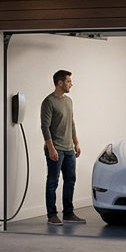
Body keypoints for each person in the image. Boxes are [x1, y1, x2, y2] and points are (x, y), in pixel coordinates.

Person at [41, 69, 84, 225]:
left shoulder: (68, 101)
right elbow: (45, 127)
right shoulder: (49, 102)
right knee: (53, 181)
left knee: (70, 180)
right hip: (56, 148)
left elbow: (71, 123)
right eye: (68, 81)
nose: (71, 84)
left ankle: (68, 213)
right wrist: (51, 148)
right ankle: (52, 215)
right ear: (60, 83)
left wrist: (76, 142)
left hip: (68, 148)